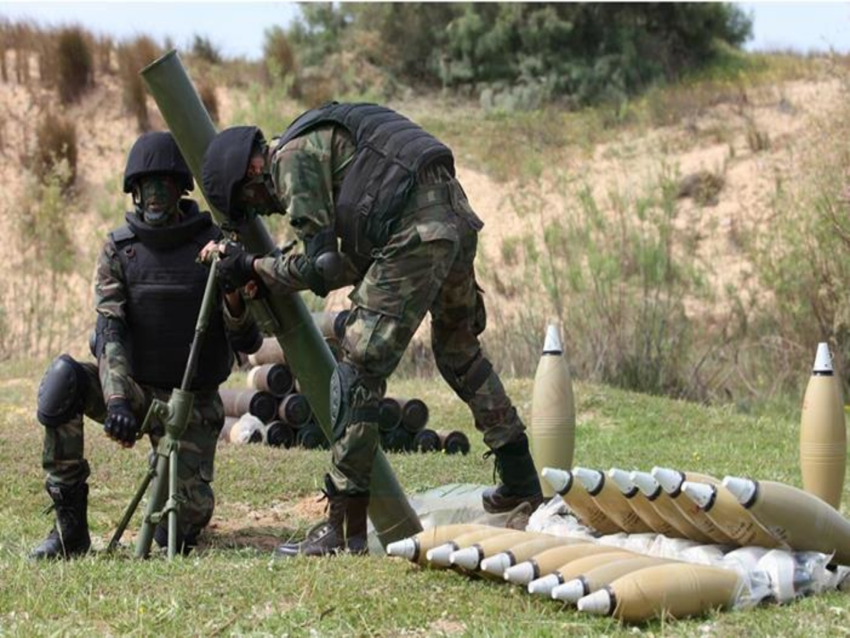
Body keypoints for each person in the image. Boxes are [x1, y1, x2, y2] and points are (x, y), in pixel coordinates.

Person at [201, 102, 543, 557]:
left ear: (252, 170)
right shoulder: (329, 145)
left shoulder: (290, 159)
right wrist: (264, 268)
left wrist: (254, 267)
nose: (263, 211)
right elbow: (352, 262)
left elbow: (321, 269)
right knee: (460, 353)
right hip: (453, 218)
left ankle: (342, 530)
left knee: (358, 369)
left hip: (416, 232)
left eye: (250, 202)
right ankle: (521, 478)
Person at [30, 132, 261, 559]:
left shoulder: (213, 244)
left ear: (181, 189)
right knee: (63, 381)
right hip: (136, 395)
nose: (155, 196)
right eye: (146, 187)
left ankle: (187, 512)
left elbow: (247, 338)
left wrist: (231, 292)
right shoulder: (119, 250)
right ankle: (70, 534)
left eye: (164, 185)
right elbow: (111, 329)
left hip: (192, 404)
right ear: (134, 192)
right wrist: (116, 400)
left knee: (175, 534)